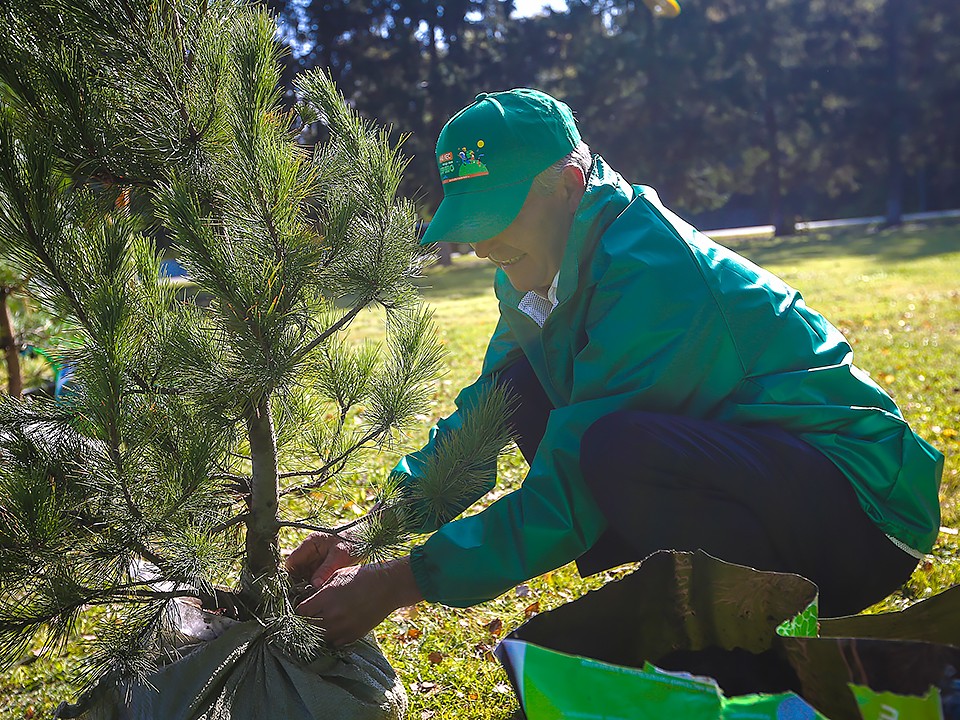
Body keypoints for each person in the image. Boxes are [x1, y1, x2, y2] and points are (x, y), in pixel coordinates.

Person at [287, 88, 943, 647]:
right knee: (524, 386)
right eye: (470, 222)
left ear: (570, 185)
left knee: (616, 450)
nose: (481, 244)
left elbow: (572, 489)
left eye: (496, 217)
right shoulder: (534, 270)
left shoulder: (652, 275)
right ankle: (721, 611)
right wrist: (373, 529)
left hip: (863, 514)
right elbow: (486, 413)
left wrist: (403, 580)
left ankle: (771, 639)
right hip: (757, 479)